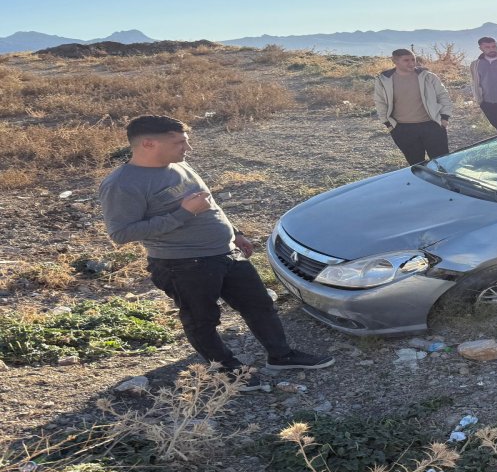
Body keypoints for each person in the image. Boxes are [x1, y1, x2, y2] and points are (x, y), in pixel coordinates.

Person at [99, 116, 334, 389]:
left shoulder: (179, 164)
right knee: (202, 320)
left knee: (259, 305)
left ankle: (281, 356)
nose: (187, 149)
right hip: (183, 265)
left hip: (225, 252)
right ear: (148, 144)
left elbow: (208, 203)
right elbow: (121, 233)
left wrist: (235, 233)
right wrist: (183, 213)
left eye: (186, 142)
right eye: (179, 143)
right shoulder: (122, 184)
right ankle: (228, 371)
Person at [374, 48, 454, 165]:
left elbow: (443, 96)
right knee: (417, 165)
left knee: (442, 162)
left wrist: (445, 118)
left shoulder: (428, 76)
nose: (411, 63)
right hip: (403, 128)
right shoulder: (383, 80)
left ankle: (445, 183)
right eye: (406, 60)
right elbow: (380, 102)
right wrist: (388, 124)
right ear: (395, 61)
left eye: (413, 59)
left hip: (432, 125)